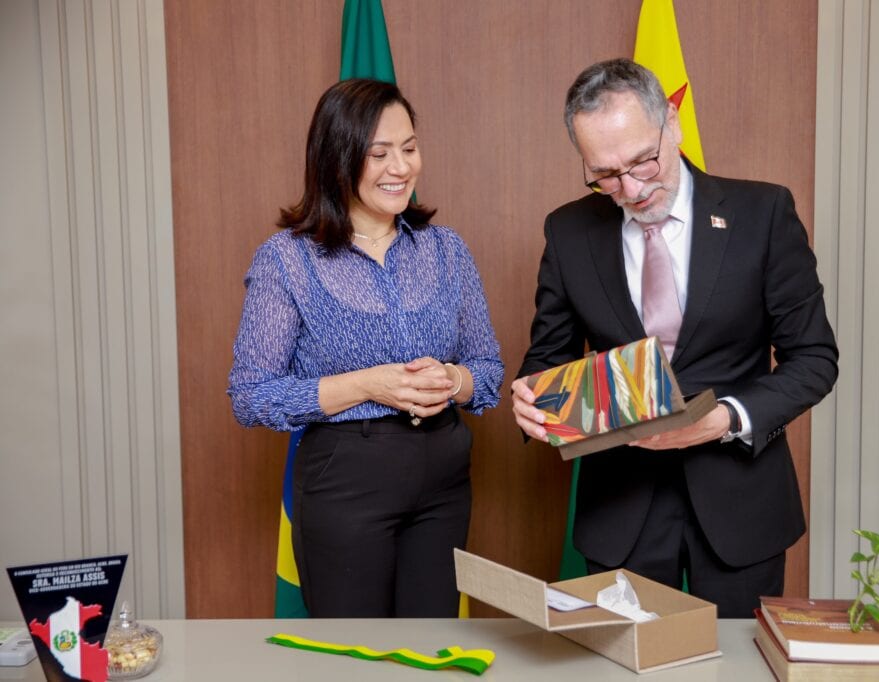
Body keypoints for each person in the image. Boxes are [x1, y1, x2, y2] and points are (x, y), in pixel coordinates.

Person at [511, 59, 838, 618]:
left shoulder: (763, 213)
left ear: (673, 121)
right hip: (621, 508)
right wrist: (532, 401)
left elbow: (813, 358)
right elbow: (547, 362)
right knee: (623, 657)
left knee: (739, 658)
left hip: (741, 501)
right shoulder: (568, 231)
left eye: (644, 160)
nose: (632, 188)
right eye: (605, 175)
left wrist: (726, 418)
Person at [228, 79, 503, 618]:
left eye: (409, 148)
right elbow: (251, 395)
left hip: (444, 482)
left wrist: (453, 380)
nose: (400, 167)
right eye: (379, 154)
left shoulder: (447, 250)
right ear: (337, 158)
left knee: (432, 648)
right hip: (344, 482)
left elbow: (488, 370)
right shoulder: (287, 260)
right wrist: (369, 385)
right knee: (354, 652)